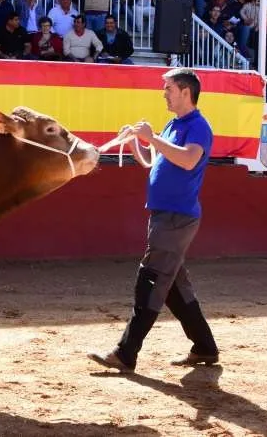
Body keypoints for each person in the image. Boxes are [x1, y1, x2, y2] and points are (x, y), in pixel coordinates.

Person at [88, 68, 219, 373]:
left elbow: (188, 160)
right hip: (167, 215)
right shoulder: (174, 125)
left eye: (168, 89)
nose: (164, 94)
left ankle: (126, 352)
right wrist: (138, 143)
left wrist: (153, 138)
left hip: (176, 217)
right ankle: (205, 347)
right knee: (173, 286)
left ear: (185, 92)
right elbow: (154, 163)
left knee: (150, 279)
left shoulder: (198, 126)